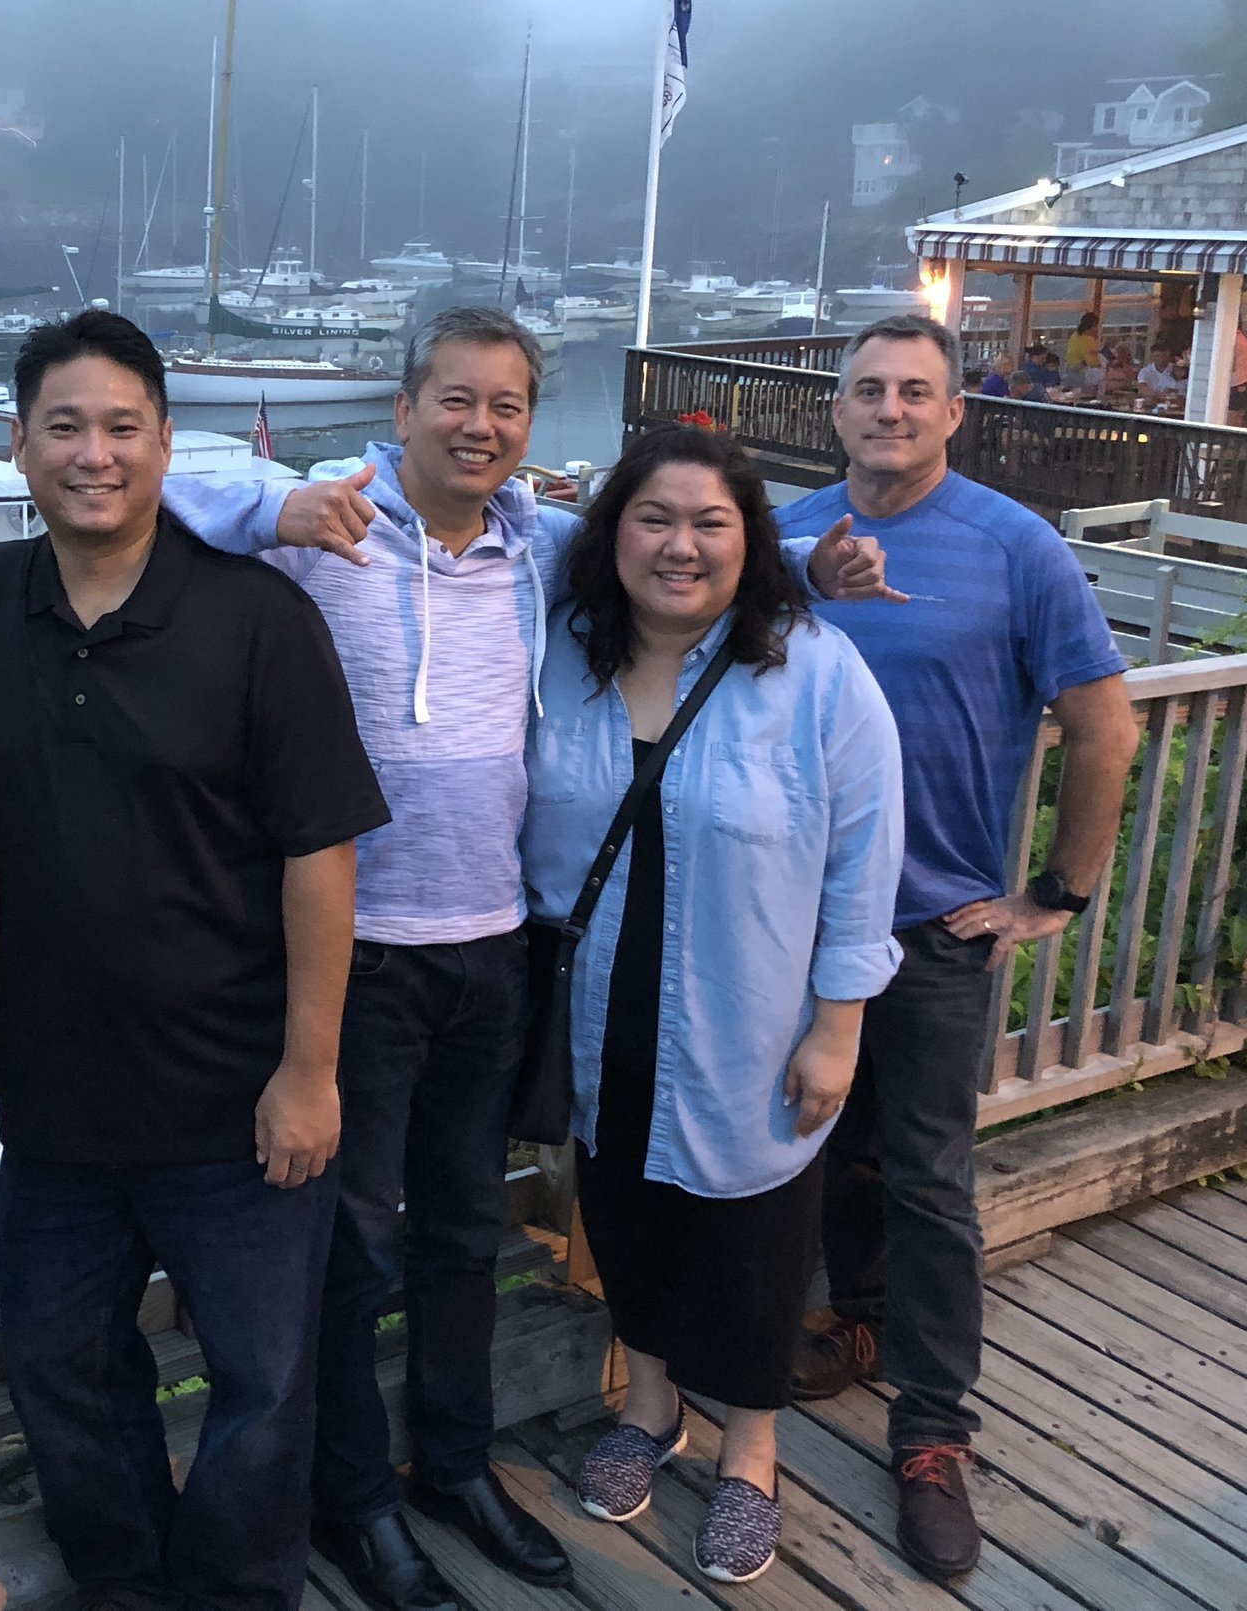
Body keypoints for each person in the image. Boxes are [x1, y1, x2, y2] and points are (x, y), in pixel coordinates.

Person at [162, 307, 898, 1611]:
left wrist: (805, 568)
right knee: (358, 1251)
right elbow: (162, 473)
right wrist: (276, 504)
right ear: (402, 409)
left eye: (507, 404)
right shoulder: (326, 526)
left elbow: (683, 538)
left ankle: (452, 1462)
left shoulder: (537, 547)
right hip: (357, 961)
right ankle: (357, 1491)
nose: (481, 425)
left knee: (457, 1237)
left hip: (493, 955)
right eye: (456, 398)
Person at [0, 309, 392, 1611]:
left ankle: (237, 1587)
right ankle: (126, 1576)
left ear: (166, 443)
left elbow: (320, 851)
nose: (94, 451)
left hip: (237, 1096)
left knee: (260, 1378)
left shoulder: (254, 618)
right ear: (20, 445)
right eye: (64, 425)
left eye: (123, 425)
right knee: (65, 1366)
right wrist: (0, 903)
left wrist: (309, 1066)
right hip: (59, 1092)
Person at [776, 313, 1138, 1581]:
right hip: (786, 922)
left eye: (913, 392)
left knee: (929, 1181)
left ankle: (933, 1431)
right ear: (834, 407)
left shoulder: (1015, 547)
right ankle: (855, 1326)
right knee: (807, 1155)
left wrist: (1057, 893)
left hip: (933, 925)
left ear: (952, 412)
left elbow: (1103, 725)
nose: (888, 410)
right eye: (866, 390)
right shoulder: (784, 538)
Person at [528, 424, 903, 1587]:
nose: (678, 547)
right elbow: (447, 512)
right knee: (624, 1206)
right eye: (652, 518)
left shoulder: (813, 670)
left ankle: (751, 1452)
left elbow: (864, 853)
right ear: (609, 533)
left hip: (750, 1003)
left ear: (752, 543)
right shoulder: (566, 647)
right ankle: (646, 1406)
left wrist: (838, 1022)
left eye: (709, 524)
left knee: (752, 1232)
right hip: (601, 996)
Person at [1063, 312, 1102, 389]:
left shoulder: (1074, 336)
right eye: (1096, 326)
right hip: (1083, 374)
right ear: (1093, 326)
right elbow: (1093, 362)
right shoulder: (1088, 341)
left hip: (1070, 372)